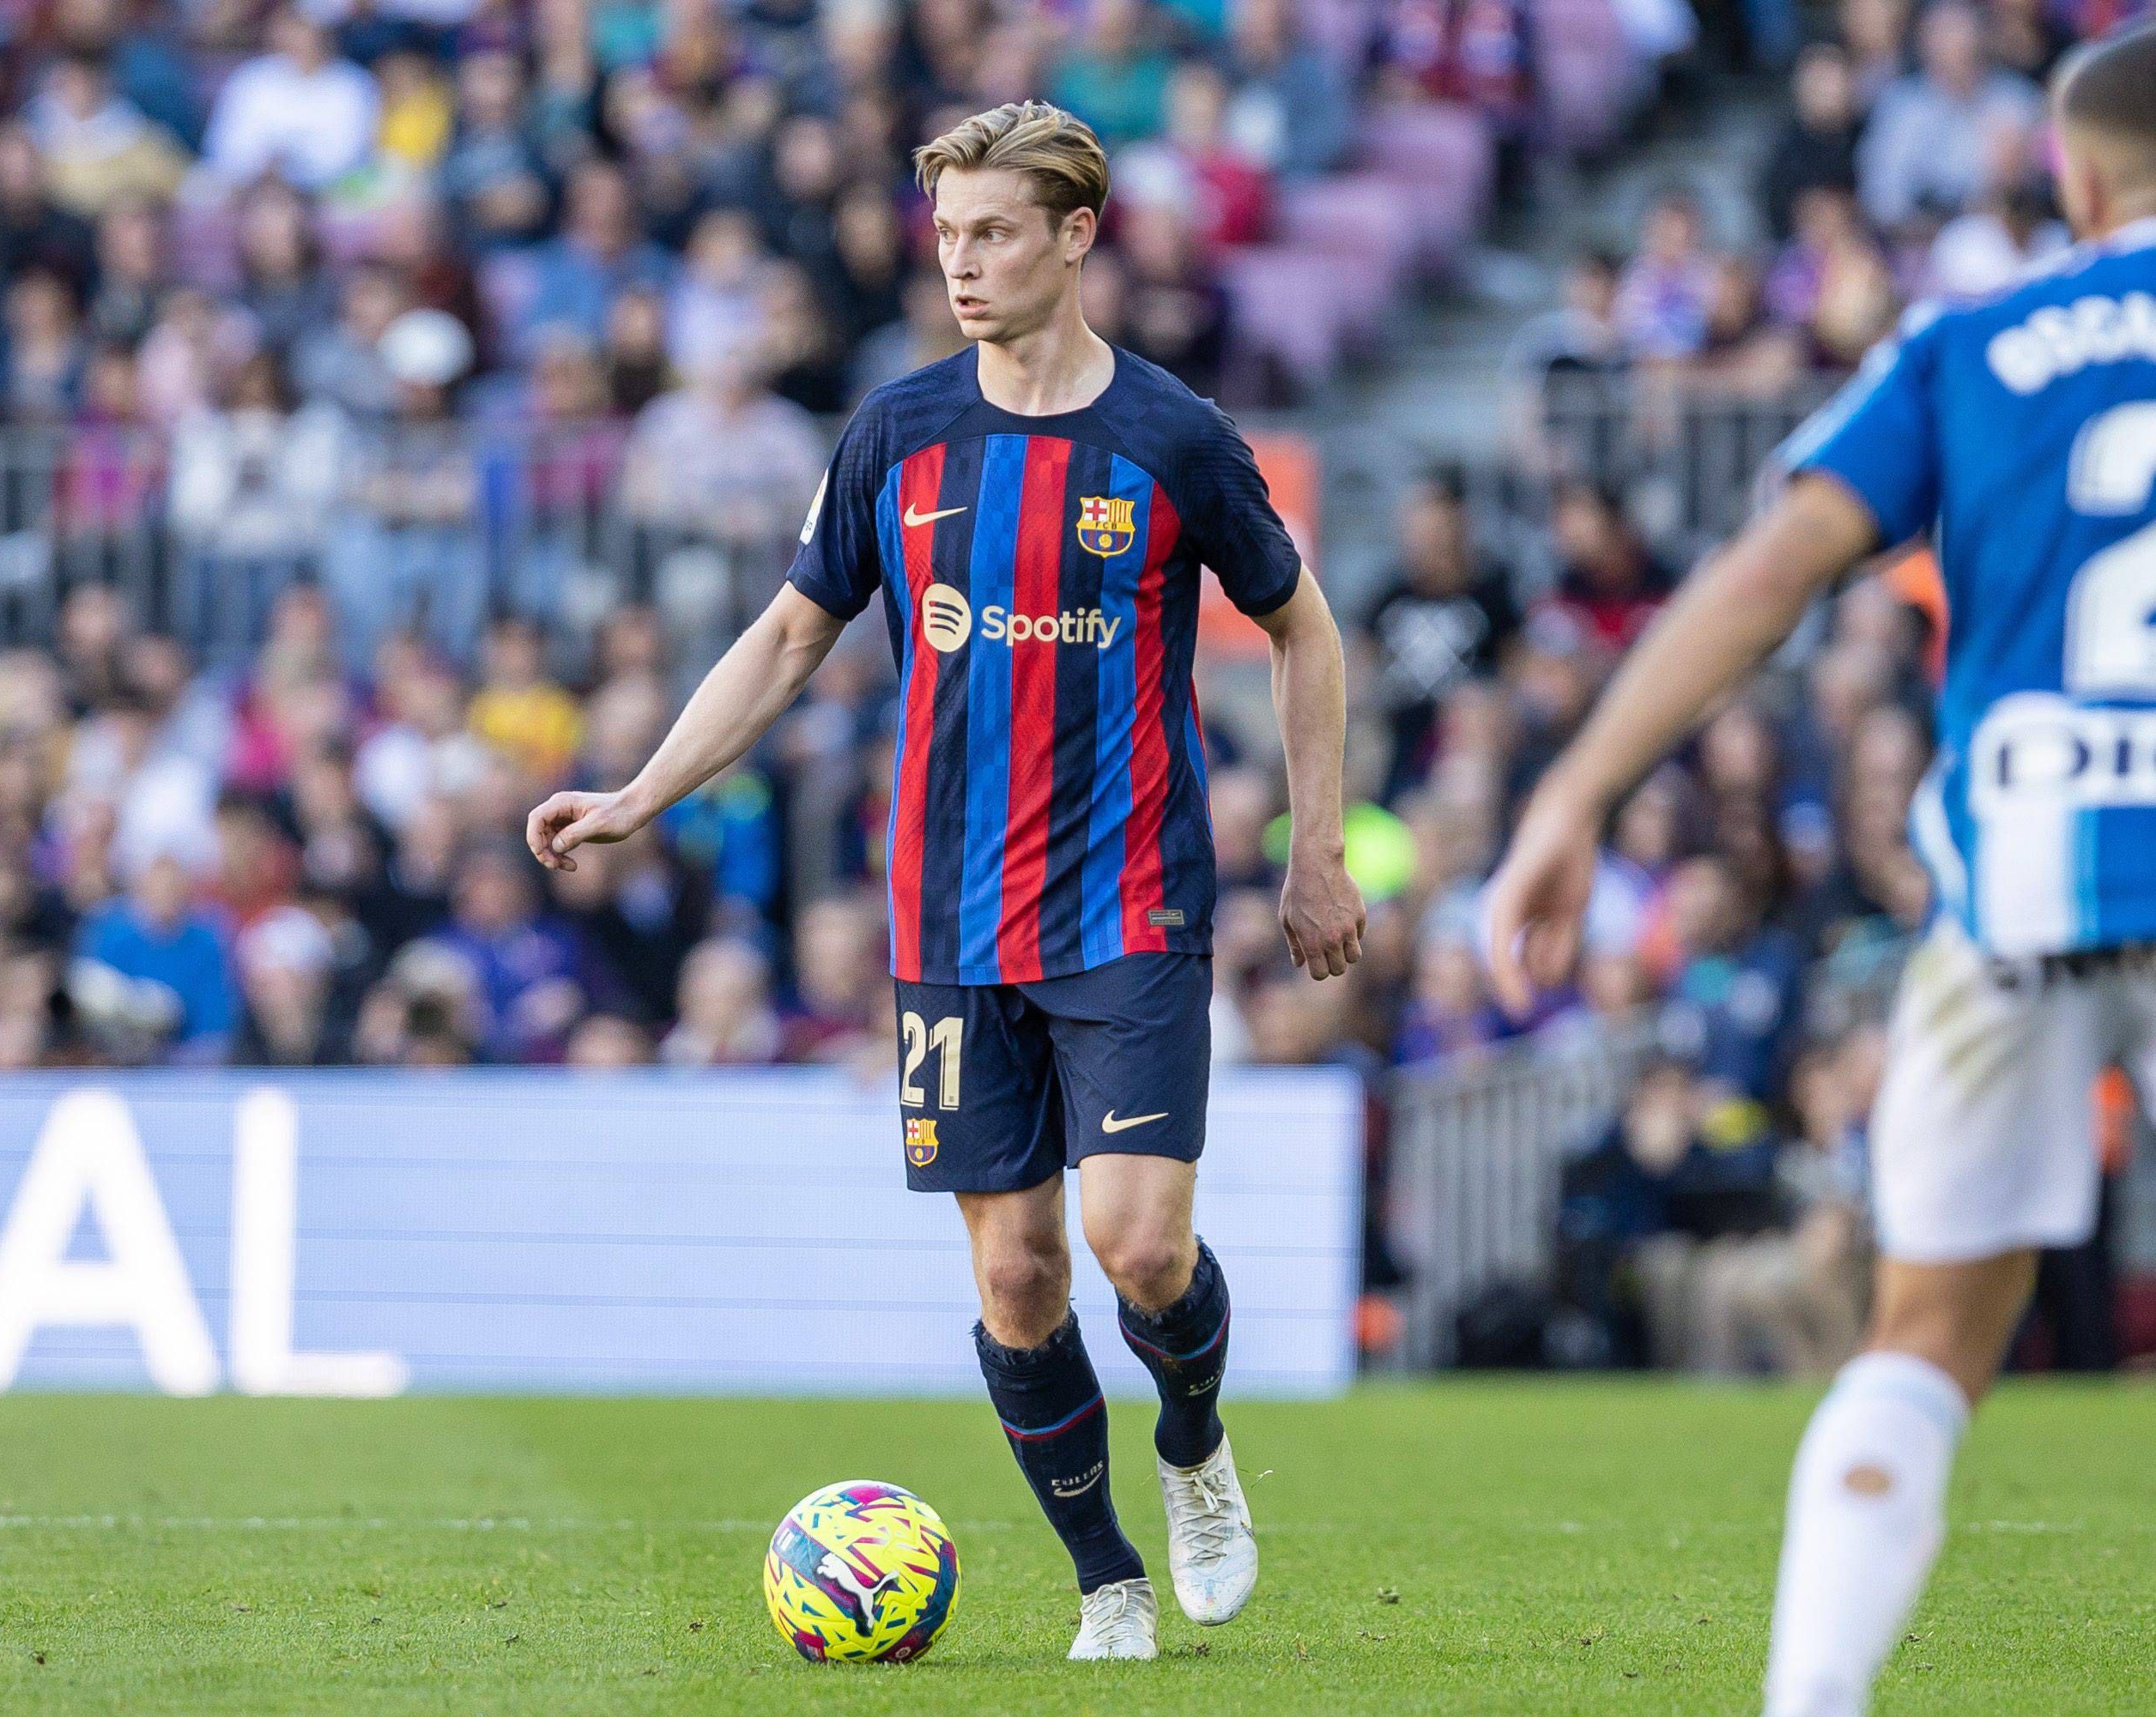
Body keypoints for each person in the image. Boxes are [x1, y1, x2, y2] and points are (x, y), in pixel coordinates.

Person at [525, 100, 1363, 1662]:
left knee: (1140, 1247)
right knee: (1018, 1269)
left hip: (1128, 906)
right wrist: (641, 789)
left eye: (991, 232)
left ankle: (1192, 1442)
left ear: (1073, 237)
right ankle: (1105, 1577)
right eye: (946, 234)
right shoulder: (897, 435)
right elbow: (790, 633)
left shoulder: (1173, 438)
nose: (960, 263)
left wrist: (1314, 849)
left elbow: (1304, 626)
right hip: (950, 923)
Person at [1485, 29, 2156, 1717]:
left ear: (2070, 179)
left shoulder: (1974, 342)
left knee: (1925, 1332)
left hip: (2022, 870)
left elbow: (1770, 565)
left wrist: (1572, 788)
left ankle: (1812, 1698)